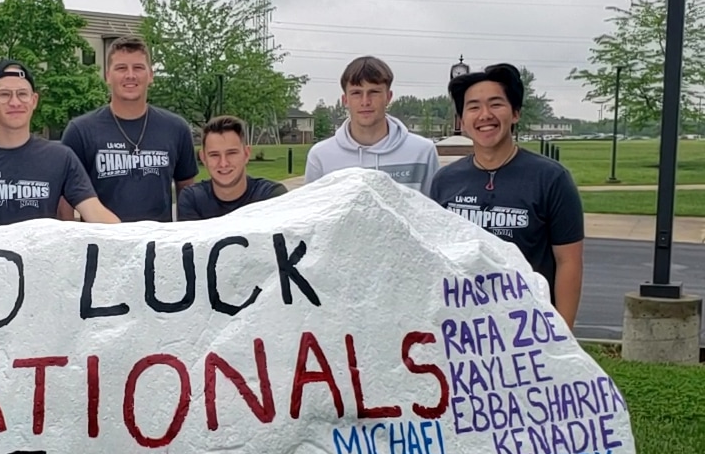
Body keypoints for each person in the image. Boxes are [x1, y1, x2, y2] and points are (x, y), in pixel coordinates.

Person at [431, 62, 584, 327]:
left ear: (515, 113)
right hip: (463, 328)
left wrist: (562, 333)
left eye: (496, 104)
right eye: (474, 107)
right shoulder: (445, 181)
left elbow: (568, 261)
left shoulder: (551, 178)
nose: (485, 115)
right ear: (462, 120)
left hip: (529, 329)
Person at [0, 59, 120, 230]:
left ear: (34, 100)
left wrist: (138, 240)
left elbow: (95, 213)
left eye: (22, 94)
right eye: (4, 94)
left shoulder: (60, 158)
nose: (15, 102)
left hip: (41, 257)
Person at [61, 36, 197, 221]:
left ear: (151, 75)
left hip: (158, 245)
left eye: (138, 68)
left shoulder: (176, 128)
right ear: (107, 75)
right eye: (121, 68)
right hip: (102, 245)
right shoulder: (80, 131)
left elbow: (187, 191)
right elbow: (65, 199)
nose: (130, 75)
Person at [304, 55, 439, 193]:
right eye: (356, 93)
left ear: (388, 97)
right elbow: (313, 212)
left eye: (374, 92)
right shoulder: (320, 156)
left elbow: (434, 211)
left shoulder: (422, 152)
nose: (365, 101)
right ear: (345, 100)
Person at [178, 115, 287, 220]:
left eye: (232, 153)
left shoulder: (272, 197)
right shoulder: (192, 199)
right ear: (203, 158)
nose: (223, 163)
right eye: (214, 155)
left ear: (246, 154)